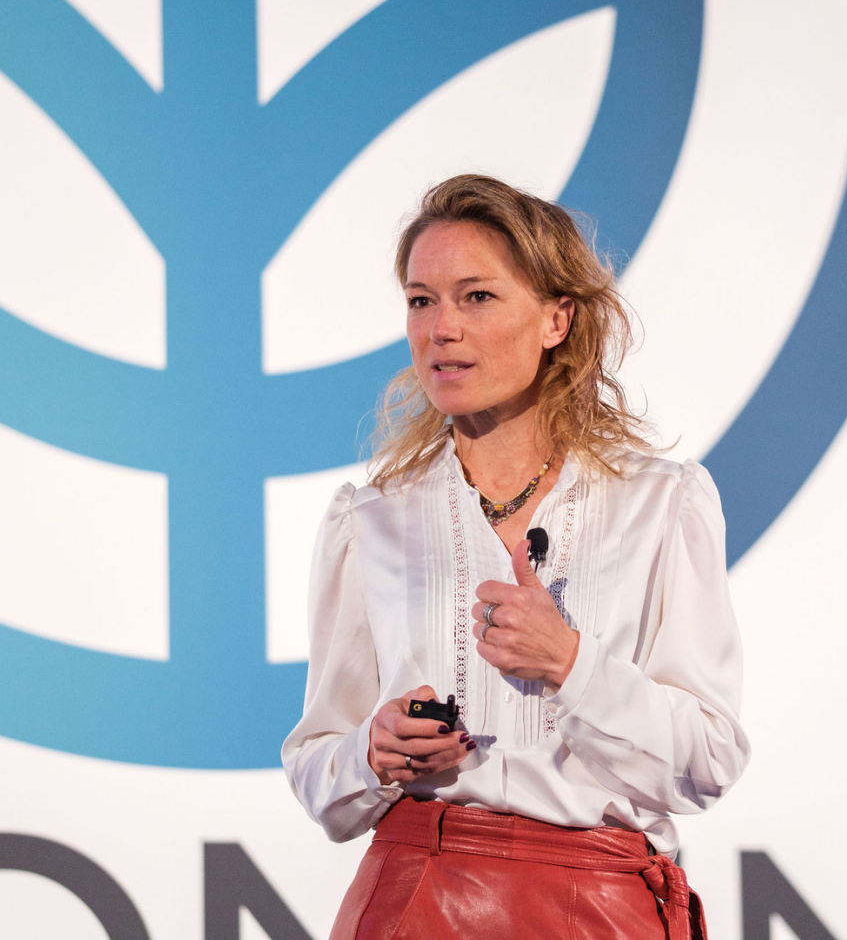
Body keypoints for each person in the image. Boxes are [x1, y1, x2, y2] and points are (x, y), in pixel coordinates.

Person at [282, 174, 749, 939]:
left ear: (557, 319)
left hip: (595, 906)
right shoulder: (371, 522)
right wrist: (374, 751)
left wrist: (571, 663)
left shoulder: (662, 506)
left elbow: (707, 761)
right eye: (421, 300)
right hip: (415, 897)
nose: (441, 329)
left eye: (477, 297)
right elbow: (317, 774)